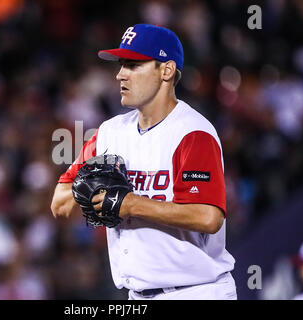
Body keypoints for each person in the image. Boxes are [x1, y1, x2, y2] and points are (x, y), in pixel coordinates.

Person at [51, 23, 236, 300]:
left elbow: (209, 217)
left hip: (196, 292)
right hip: (136, 295)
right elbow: (60, 206)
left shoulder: (192, 132)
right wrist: (89, 190)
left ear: (167, 70)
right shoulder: (110, 133)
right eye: (121, 64)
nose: (120, 74)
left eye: (133, 64)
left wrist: (132, 204)